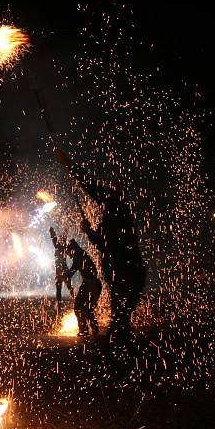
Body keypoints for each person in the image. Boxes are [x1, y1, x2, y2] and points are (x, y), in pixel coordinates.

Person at [54, 148, 146, 349]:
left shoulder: (116, 208)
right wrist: (88, 231)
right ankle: (121, 354)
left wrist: (69, 164)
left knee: (118, 323)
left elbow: (91, 187)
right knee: (120, 321)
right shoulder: (118, 216)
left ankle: (119, 358)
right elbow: (104, 244)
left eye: (110, 190)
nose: (106, 193)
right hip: (128, 272)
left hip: (125, 272)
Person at [66, 238, 101, 336]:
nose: (68, 255)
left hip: (91, 285)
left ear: (72, 249)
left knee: (79, 308)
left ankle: (85, 330)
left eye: (68, 251)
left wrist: (62, 276)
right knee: (87, 308)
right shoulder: (80, 253)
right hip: (91, 284)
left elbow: (71, 272)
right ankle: (93, 330)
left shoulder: (78, 256)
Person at [49, 226, 73, 314]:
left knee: (63, 289)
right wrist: (65, 230)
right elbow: (55, 239)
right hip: (61, 272)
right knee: (64, 289)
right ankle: (60, 307)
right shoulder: (62, 247)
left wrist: (52, 232)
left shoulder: (59, 247)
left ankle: (60, 307)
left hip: (62, 272)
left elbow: (54, 240)